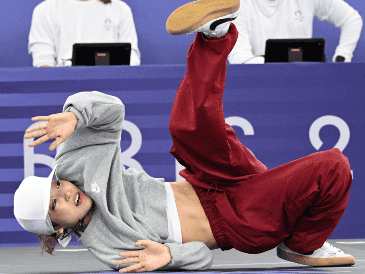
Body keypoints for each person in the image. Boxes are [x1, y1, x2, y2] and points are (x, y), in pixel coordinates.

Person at [15, 0, 355, 272]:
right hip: (235, 219)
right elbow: (202, 258)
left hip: (206, 179)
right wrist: (168, 256)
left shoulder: (73, 165)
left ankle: (214, 35)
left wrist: (76, 114)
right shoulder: (110, 246)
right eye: (54, 205)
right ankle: (303, 243)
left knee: (185, 127)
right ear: (57, 230)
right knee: (334, 166)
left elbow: (113, 112)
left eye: (56, 186)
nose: (65, 193)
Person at [227, 0, 363, 64]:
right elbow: (239, 58)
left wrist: (342, 56)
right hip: (261, 87)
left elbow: (351, 19)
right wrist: (280, 66)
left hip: (307, 84)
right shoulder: (236, 6)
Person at [28, 0, 141, 67]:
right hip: (65, 88)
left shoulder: (120, 9)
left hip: (111, 87)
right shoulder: (45, 10)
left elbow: (132, 58)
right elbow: (43, 61)